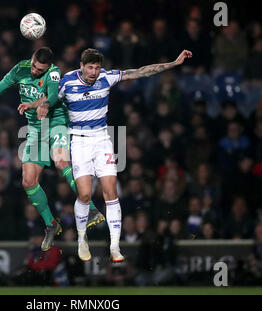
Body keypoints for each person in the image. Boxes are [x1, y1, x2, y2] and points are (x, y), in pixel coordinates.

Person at [0, 47, 104, 251]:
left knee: (61, 160)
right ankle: (51, 225)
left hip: (56, 122)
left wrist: (42, 105)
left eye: (40, 69)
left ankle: (90, 209)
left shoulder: (53, 73)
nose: (36, 71)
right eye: (35, 66)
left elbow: (53, 95)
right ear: (32, 60)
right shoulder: (20, 69)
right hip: (36, 129)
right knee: (28, 182)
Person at [57, 48, 192, 262]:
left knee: (110, 190)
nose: (93, 72)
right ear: (81, 67)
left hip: (102, 139)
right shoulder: (66, 82)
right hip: (79, 141)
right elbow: (48, 100)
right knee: (84, 194)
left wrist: (173, 63)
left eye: (97, 67)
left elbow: (141, 72)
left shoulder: (107, 77)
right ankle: (82, 239)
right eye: (90, 67)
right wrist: (38, 107)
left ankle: (114, 246)